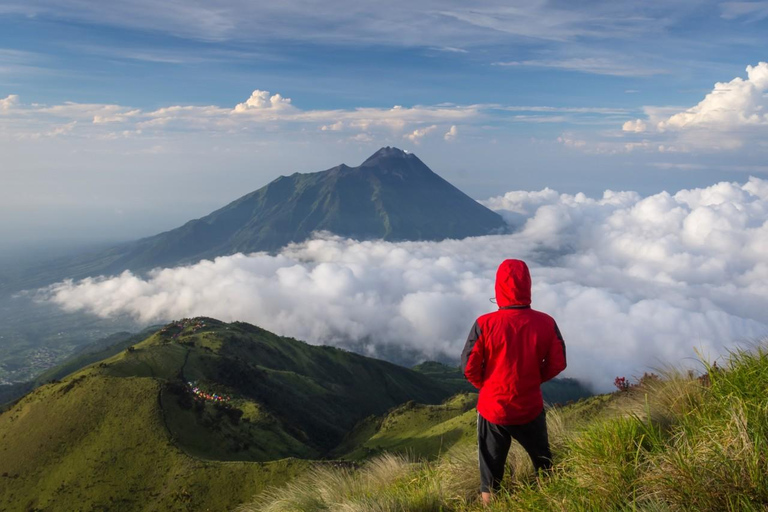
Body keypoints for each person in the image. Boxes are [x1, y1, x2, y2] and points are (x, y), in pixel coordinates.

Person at [460, 259, 567, 505]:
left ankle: (490, 507)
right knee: (543, 463)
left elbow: (469, 367)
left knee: (490, 475)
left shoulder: (484, 324)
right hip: (529, 406)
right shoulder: (546, 322)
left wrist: (488, 387)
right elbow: (558, 362)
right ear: (528, 286)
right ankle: (554, 502)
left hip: (493, 409)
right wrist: (533, 379)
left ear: (498, 290)